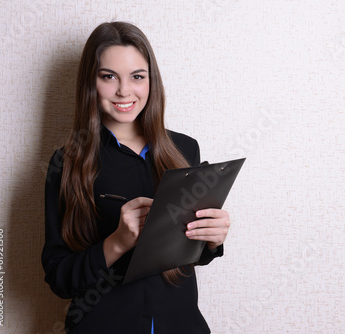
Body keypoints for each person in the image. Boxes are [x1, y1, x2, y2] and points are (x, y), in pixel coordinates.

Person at [41, 21, 230, 334]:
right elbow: (59, 278)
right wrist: (116, 242)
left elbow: (189, 256)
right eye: (108, 76)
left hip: (181, 325)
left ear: (150, 81)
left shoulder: (185, 149)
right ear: (91, 82)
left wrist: (212, 239)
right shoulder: (67, 163)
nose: (124, 90)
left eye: (137, 77)